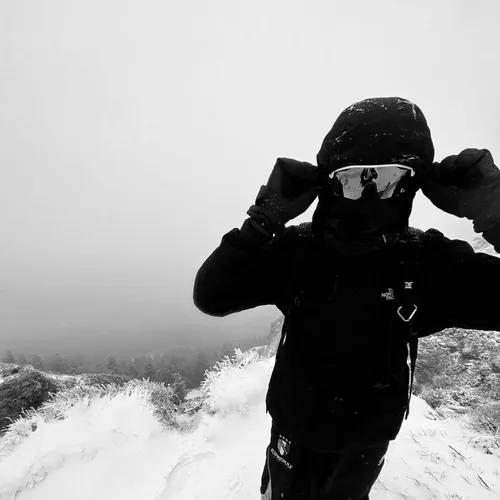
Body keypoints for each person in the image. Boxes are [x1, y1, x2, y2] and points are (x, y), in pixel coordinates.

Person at [192, 97, 500, 500]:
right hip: (292, 437)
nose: (369, 196)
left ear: (412, 185)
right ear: (328, 182)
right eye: (353, 179)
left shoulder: (426, 264)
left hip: (365, 448)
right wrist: (263, 220)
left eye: (389, 180)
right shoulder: (297, 252)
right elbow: (212, 294)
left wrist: (495, 211)